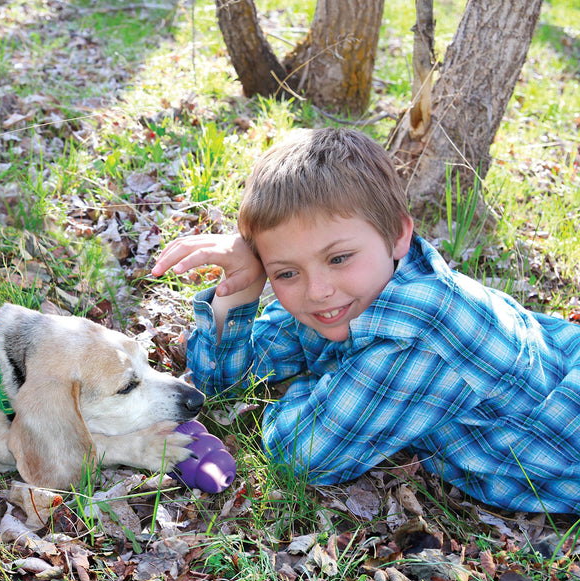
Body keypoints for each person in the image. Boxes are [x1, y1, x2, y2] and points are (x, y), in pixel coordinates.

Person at [151, 127, 580, 514]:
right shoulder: (351, 292)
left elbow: (302, 456)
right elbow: (226, 384)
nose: (317, 290)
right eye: (285, 272)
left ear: (398, 235)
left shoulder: (417, 332)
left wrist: (316, 382)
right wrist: (242, 289)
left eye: (339, 258)